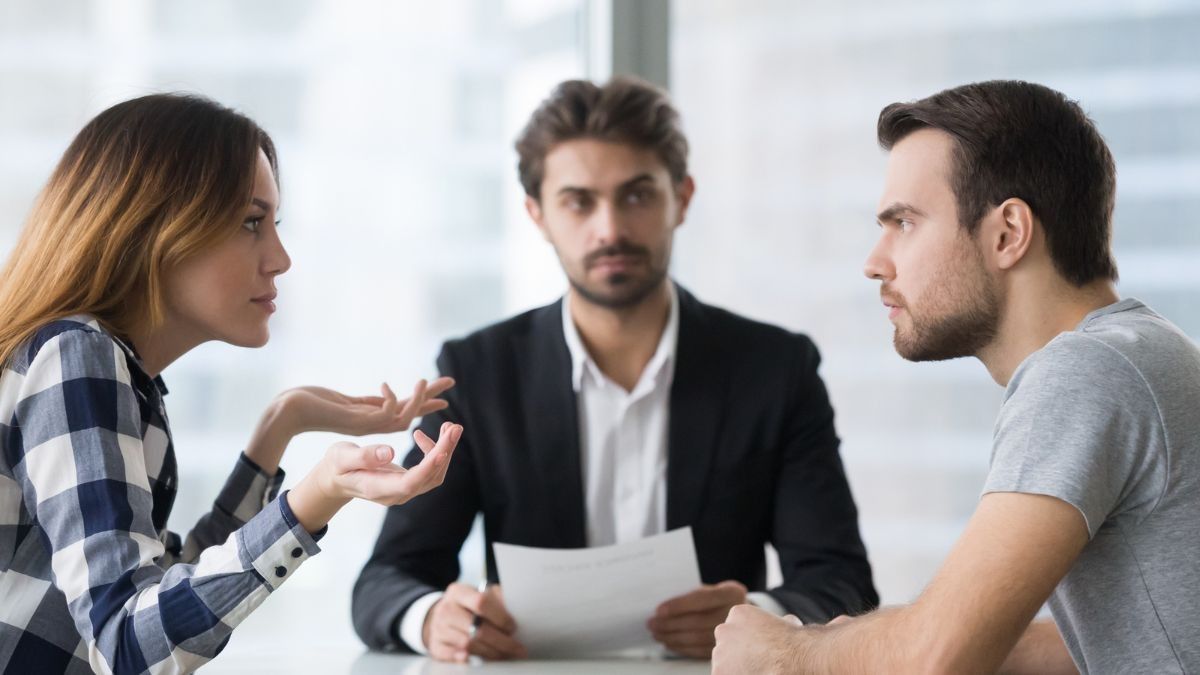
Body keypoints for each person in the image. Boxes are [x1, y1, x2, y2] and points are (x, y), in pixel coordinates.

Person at [352, 76, 877, 663]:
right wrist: (433, 621)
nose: (610, 229)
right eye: (579, 201)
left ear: (682, 198)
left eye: (637, 195)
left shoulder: (776, 370)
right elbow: (386, 580)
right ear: (537, 215)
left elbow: (841, 581)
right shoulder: (478, 373)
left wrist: (761, 617)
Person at [712, 80, 1200, 673]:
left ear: (1007, 234)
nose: (875, 262)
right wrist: (866, 641)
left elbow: (934, 662)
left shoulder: (1084, 374)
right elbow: (1114, 639)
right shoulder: (1147, 352)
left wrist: (785, 654)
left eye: (905, 222)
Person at [0, 94, 462, 675]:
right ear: (154, 226)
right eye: (250, 222)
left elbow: (158, 595)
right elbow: (129, 644)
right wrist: (317, 495)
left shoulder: (108, 367)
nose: (280, 258)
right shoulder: (76, 357)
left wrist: (279, 428)